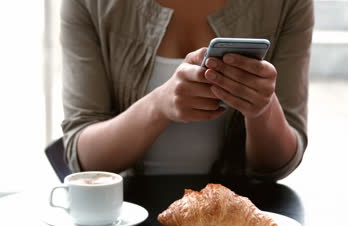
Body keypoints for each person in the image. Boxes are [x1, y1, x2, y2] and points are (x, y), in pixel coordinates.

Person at [60, 0, 314, 182]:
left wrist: (262, 107)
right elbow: (83, 161)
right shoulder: (88, 4)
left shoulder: (287, 4)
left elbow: (279, 165)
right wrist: (158, 105)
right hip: (124, 223)